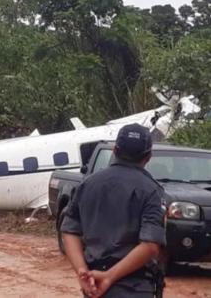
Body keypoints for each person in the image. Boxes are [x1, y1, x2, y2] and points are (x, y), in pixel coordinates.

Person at [61, 123, 167, 298]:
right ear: (148, 156)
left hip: (93, 285)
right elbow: (149, 246)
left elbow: (69, 231)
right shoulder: (152, 191)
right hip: (133, 288)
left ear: (114, 151)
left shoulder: (87, 184)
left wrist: (82, 272)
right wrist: (109, 277)